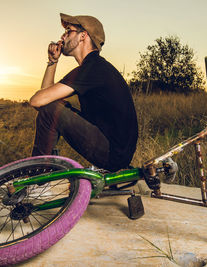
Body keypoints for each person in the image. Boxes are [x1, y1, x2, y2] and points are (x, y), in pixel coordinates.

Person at [29, 13, 138, 172]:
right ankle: (44, 172)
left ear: (83, 36)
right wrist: (52, 62)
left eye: (68, 31)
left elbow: (36, 101)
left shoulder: (92, 69)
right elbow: (45, 96)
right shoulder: (93, 66)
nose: (63, 36)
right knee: (54, 105)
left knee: (50, 110)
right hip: (116, 151)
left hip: (113, 154)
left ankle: (36, 179)